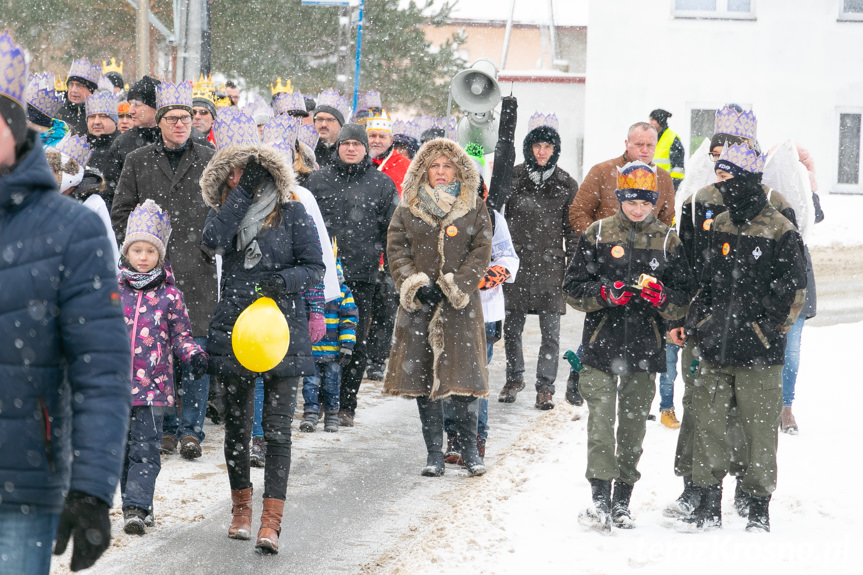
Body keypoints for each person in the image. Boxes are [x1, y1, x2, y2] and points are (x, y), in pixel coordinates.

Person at [0, 30, 130, 573]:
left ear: (15, 126)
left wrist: (93, 487)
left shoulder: (72, 230)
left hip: (20, 485)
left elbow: (100, 367)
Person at [666, 105, 802, 520]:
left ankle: (748, 487)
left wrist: (769, 328)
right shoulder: (697, 205)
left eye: (737, 149)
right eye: (721, 150)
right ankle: (695, 486)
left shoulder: (777, 209)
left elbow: (790, 278)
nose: (725, 161)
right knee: (702, 410)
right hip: (705, 327)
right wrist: (680, 317)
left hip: (754, 336)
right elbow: (684, 267)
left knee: (750, 416)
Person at [200, 108, 324, 554]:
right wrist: (241, 193)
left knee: (276, 430)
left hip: (282, 329)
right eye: (233, 171)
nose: (240, 178)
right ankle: (241, 511)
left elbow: (314, 268)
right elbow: (211, 242)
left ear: (269, 171)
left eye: (248, 171)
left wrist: (281, 282)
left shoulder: (292, 212)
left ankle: (271, 522)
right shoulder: (224, 213)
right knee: (236, 426)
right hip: (234, 325)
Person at [563, 161, 693, 532]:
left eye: (646, 202)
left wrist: (662, 296)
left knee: (633, 427)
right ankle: (600, 497)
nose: (638, 209)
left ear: (655, 202)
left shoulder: (669, 240)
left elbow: (683, 298)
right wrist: (603, 294)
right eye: (631, 201)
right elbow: (572, 288)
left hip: (644, 348)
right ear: (620, 198)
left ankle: (623, 501)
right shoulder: (597, 233)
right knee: (601, 423)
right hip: (600, 345)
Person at [111, 81, 218, 460]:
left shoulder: (209, 158)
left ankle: (192, 429)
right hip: (150, 270)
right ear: (159, 122)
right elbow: (120, 210)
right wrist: (140, 244)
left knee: (196, 349)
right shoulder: (138, 159)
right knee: (160, 352)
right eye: (173, 118)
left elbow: (223, 209)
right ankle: (167, 428)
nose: (180, 125)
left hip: (198, 268)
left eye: (186, 118)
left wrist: (209, 244)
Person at [384, 137, 493, 477]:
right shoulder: (408, 207)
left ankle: (469, 450)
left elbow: (481, 251)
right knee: (424, 381)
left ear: (459, 170)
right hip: (419, 308)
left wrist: (455, 285)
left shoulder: (473, 207)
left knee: (463, 379)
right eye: (435, 165)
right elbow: (396, 250)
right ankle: (434, 453)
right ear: (423, 171)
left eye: (448, 165)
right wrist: (414, 284)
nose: (441, 171)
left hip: (460, 307)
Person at [117, 200, 208, 534]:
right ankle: (136, 503)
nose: (143, 257)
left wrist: (193, 354)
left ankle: (136, 508)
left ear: (160, 255)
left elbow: (181, 334)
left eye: (150, 252)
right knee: (121, 451)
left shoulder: (170, 296)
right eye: (137, 250)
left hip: (153, 389)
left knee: (144, 450)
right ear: (127, 253)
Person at [305, 123, 399, 427]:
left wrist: (388, 268)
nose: (351, 148)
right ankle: (316, 402)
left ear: (365, 149)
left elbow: (391, 231)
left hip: (362, 275)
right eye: (346, 143)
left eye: (357, 144)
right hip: (319, 274)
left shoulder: (382, 184)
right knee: (317, 339)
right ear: (338, 146)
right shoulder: (317, 182)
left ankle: (346, 404)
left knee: (354, 341)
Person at [500, 113, 579, 409]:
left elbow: (572, 231)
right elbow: (498, 221)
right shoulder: (513, 178)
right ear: (528, 148)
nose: (542, 151)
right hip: (516, 263)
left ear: (555, 149)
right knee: (512, 328)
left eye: (548, 146)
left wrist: (571, 269)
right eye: (537, 145)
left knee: (551, 333)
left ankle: (545, 386)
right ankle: (514, 377)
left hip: (550, 266)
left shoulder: (566, 183)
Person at [365, 111, 411, 380]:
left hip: (392, 246)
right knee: (361, 304)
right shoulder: (359, 161)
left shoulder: (404, 166)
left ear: (391, 139)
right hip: (362, 242)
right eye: (372, 135)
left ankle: (377, 358)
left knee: (385, 306)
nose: (377, 140)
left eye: (382, 136)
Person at [569, 122, 676, 237]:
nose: (645, 150)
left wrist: (658, 247)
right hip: (607, 251)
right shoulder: (602, 172)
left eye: (650, 145)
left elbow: (668, 220)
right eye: (639, 144)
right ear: (627, 144)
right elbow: (579, 211)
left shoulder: (663, 178)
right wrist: (597, 241)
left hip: (646, 252)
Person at [300, 256, 359, 432]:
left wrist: (347, 345)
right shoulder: (307, 290)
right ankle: (310, 413)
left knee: (332, 383)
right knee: (310, 383)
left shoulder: (342, 291)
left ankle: (332, 415)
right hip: (311, 349)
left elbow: (349, 319)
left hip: (333, 351)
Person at [84, 91, 119, 207]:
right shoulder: (80, 145)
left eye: (103, 116)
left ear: (114, 121)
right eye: (92, 117)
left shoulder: (123, 146)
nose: (97, 121)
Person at [56, 58, 101, 135]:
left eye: (79, 86)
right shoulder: (57, 111)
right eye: (71, 85)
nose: (73, 90)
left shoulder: (99, 114)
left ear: (91, 91)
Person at [312, 88, 350, 167]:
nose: (324, 124)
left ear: (341, 125)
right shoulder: (306, 150)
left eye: (329, 120)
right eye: (319, 119)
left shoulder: (349, 150)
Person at [649, 108, 685, 190]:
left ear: (660, 121)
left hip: (665, 187)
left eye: (652, 120)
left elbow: (678, 169)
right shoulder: (652, 137)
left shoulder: (672, 139)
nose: (650, 123)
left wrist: (672, 187)